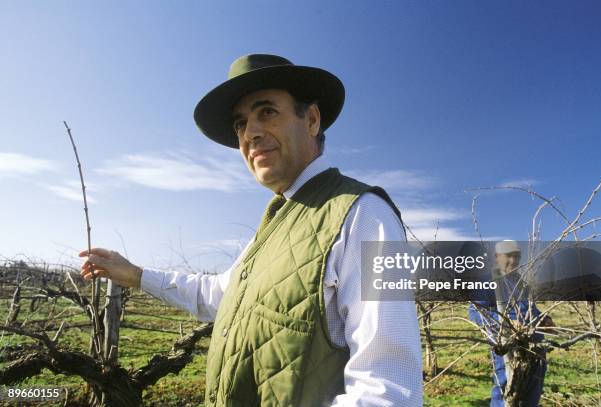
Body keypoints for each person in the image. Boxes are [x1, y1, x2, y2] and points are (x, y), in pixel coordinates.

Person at [80, 54, 423, 406]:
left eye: (267, 112)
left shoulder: (365, 216)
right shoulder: (276, 224)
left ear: (312, 120)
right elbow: (220, 295)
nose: (251, 133)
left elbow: (389, 391)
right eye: (240, 124)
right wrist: (136, 275)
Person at [468, 240, 553, 407]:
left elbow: (530, 309)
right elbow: (475, 311)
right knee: (506, 389)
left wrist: (544, 319)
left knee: (532, 390)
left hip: (534, 346)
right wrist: (506, 324)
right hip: (508, 347)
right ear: (497, 257)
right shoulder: (487, 280)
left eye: (517, 256)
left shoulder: (521, 282)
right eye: (509, 256)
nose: (513, 261)